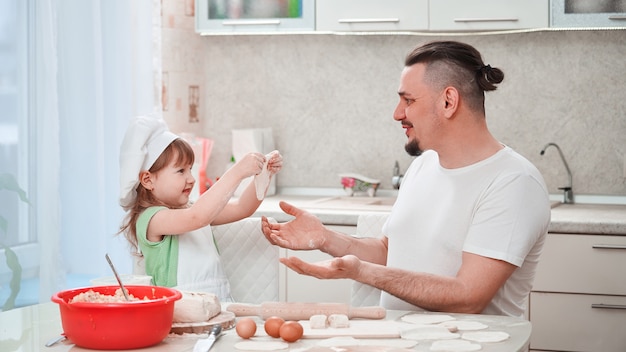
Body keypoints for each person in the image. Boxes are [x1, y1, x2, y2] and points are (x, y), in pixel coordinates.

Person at [261, 40, 550, 318]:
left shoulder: (514, 183)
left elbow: (468, 298)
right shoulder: (424, 165)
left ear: (449, 101)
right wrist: (325, 238)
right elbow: (390, 252)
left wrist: (360, 271)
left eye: (408, 100)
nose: (397, 113)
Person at [118, 115, 282, 302]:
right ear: (148, 180)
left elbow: (242, 208)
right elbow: (196, 218)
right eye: (181, 171)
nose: (191, 178)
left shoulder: (193, 209)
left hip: (218, 303)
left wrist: (264, 175)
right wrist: (237, 171)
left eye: (190, 169)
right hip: (180, 311)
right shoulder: (151, 219)